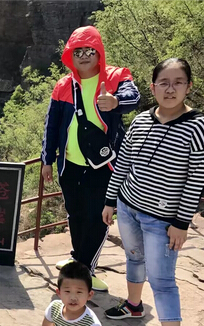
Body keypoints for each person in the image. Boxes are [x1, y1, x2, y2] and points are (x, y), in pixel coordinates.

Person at [102, 58, 204, 326]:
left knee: (163, 282)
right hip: (128, 206)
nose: (170, 89)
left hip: (162, 220)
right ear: (153, 87)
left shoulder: (197, 127)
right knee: (133, 258)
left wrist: (182, 223)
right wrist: (110, 200)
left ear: (188, 87)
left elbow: (196, 178)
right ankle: (134, 305)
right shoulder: (141, 120)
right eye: (164, 83)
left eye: (178, 82)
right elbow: (124, 162)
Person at [40, 25, 140, 292]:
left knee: (97, 216)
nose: (83, 56)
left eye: (89, 51)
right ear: (70, 55)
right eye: (78, 52)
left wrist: (116, 102)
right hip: (70, 163)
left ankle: (85, 270)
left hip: (104, 165)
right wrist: (47, 159)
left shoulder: (115, 77)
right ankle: (77, 259)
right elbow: (52, 125)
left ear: (99, 52)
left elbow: (134, 97)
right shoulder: (64, 86)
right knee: (75, 213)